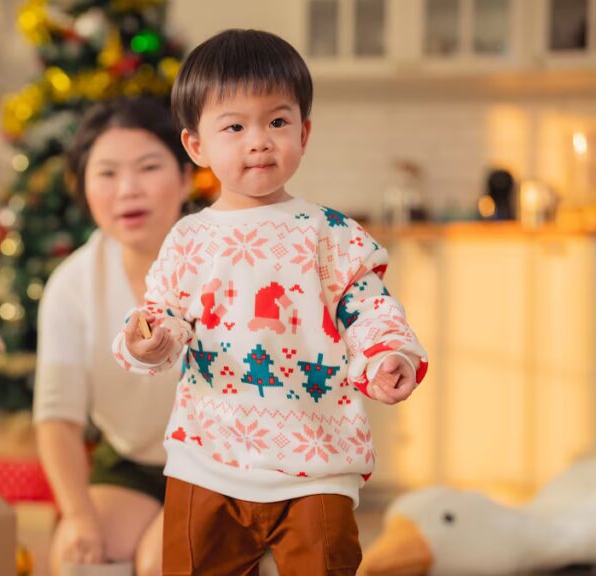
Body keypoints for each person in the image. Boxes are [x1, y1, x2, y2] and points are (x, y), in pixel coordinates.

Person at [112, 30, 429, 576]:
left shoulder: (331, 234)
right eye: (234, 126)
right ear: (197, 146)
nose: (259, 140)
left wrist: (387, 355)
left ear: (304, 133)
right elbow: (162, 315)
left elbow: (371, 308)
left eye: (277, 122)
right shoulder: (189, 240)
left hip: (317, 459)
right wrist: (150, 339)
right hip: (206, 458)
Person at [33, 97, 194, 576]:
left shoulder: (223, 260)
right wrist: (79, 516)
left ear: (186, 175)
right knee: (77, 554)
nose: (128, 190)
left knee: (160, 561)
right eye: (106, 173)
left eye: (148, 167)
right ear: (84, 189)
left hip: (225, 462)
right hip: (132, 460)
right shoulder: (72, 283)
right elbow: (58, 419)